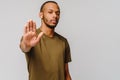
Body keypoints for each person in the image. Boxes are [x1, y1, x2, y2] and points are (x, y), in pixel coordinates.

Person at [19, 1, 72, 80]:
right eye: (50, 12)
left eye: (57, 13)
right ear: (41, 15)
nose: (55, 15)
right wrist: (26, 44)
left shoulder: (63, 41)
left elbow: (66, 73)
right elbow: (24, 47)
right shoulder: (31, 37)